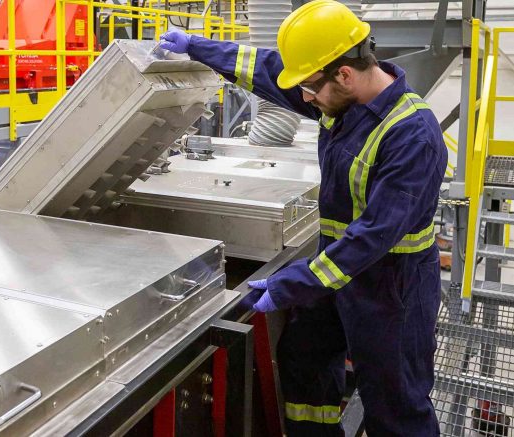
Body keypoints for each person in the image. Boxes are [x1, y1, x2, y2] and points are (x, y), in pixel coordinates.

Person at [159, 1, 446, 435]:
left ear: (344, 74)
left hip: (391, 288)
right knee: (304, 360)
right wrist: (196, 47)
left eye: (311, 90)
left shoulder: (412, 136)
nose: (305, 99)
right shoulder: (341, 97)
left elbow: (371, 239)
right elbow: (267, 69)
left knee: (394, 401)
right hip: (335, 274)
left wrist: (290, 284)